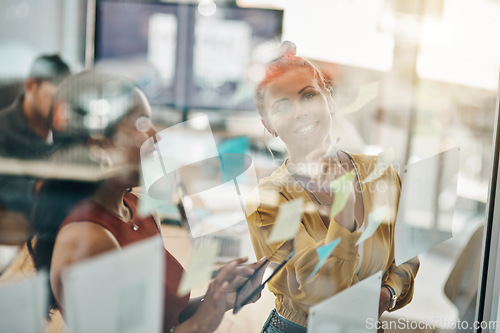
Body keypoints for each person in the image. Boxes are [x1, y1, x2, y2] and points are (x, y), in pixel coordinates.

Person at [27, 71, 266, 333]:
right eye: (140, 123)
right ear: (99, 146)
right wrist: (201, 324)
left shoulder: (135, 209)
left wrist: (217, 299)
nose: (156, 135)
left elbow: (165, 319)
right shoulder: (89, 239)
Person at [245, 42, 420, 332]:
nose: (300, 111)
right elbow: (318, 293)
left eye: (308, 95)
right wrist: (344, 211)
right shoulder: (268, 201)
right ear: (269, 124)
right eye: (282, 105)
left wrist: (388, 294)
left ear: (328, 98)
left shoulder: (382, 176)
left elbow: (405, 256)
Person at [0, 54, 70, 219]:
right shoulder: (3, 131)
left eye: (65, 99)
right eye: (53, 98)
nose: (60, 106)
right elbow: (8, 192)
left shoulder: (68, 130)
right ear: (31, 86)